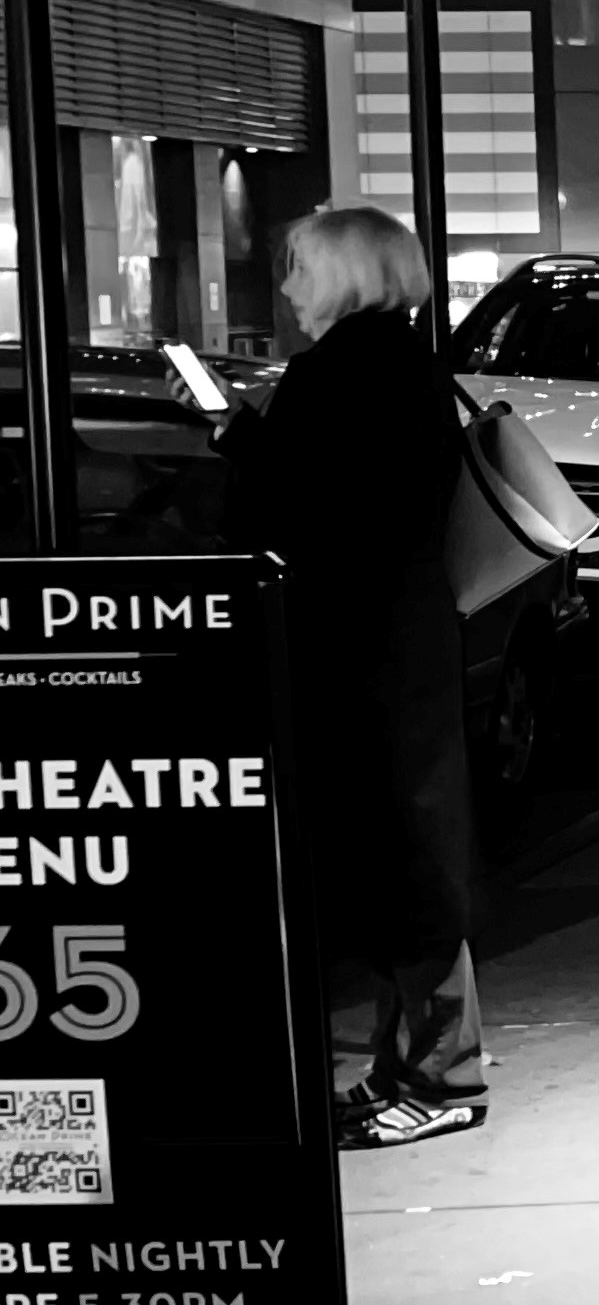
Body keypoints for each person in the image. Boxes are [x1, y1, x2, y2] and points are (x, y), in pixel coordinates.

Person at [216, 204, 485, 1149]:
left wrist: (238, 442)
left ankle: (437, 1071)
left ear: (344, 272)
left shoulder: (336, 375)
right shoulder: (406, 364)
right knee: (404, 851)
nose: (285, 287)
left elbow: (292, 509)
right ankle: (416, 1065)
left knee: (395, 857)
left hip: (356, 649)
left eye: (297, 268)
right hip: (399, 639)